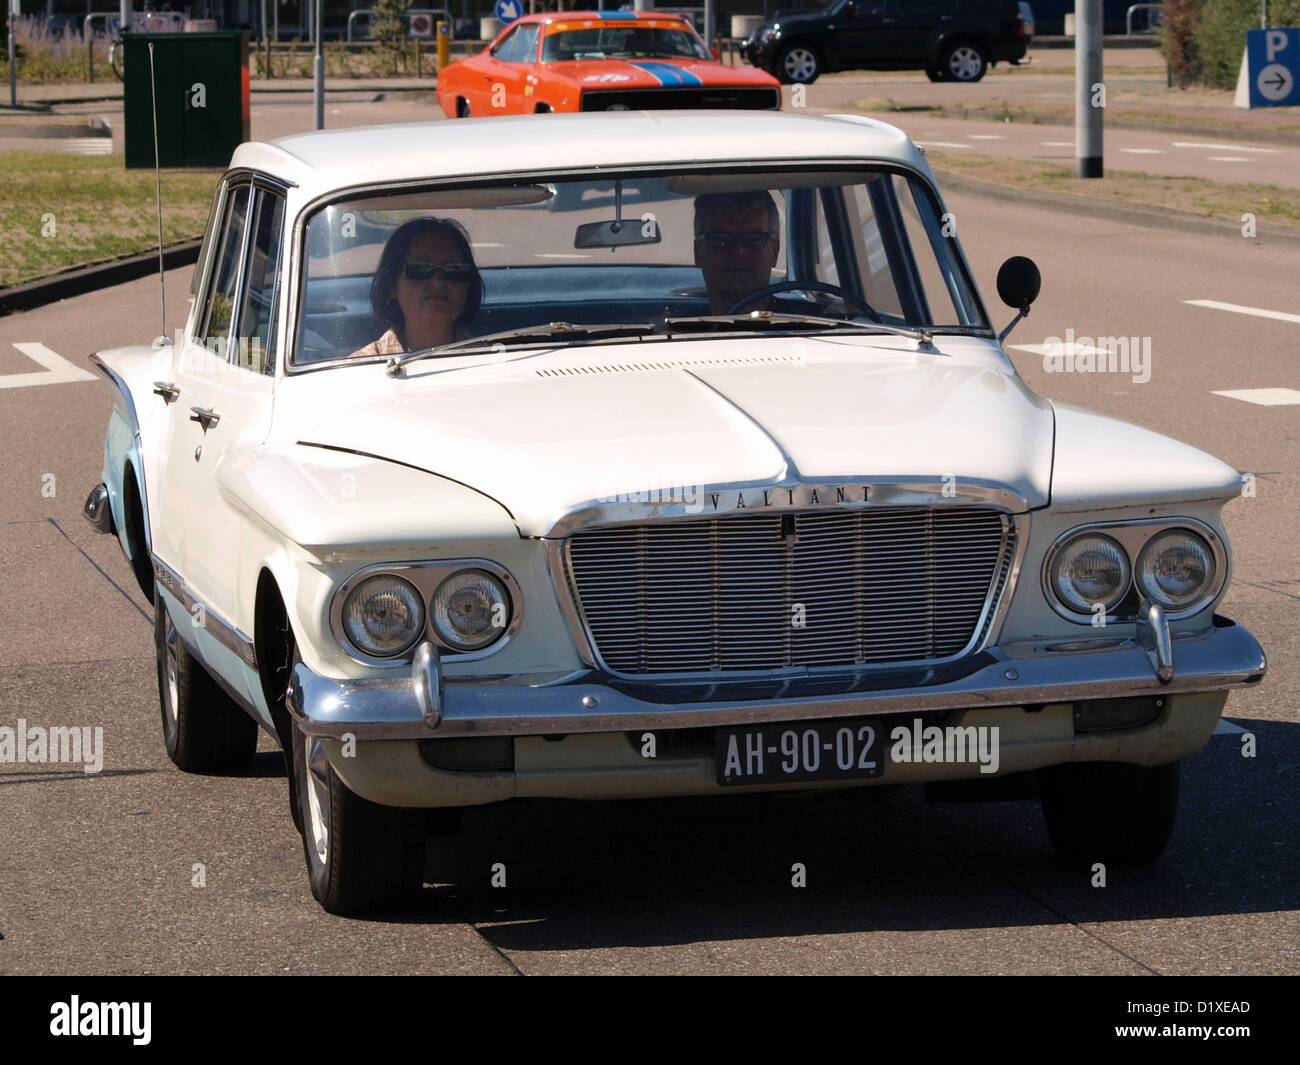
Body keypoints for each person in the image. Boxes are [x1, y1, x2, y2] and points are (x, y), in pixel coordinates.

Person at [350, 217, 482, 358]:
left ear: (468, 285)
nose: (438, 281)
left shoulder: (492, 365)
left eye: (454, 268)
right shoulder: (358, 372)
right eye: (421, 268)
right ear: (392, 283)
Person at [693, 190, 781, 314]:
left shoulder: (813, 326)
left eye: (754, 239)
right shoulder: (672, 332)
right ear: (697, 252)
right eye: (721, 239)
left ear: (775, 251)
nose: (738, 250)